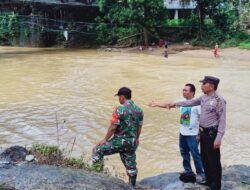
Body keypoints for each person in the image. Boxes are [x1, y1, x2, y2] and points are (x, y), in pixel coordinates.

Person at [167, 76, 226, 190]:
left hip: (212, 134)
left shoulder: (219, 100)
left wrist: (219, 138)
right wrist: (174, 104)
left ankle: (216, 186)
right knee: (205, 158)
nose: (202, 86)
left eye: (204, 84)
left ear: (212, 86)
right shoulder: (203, 97)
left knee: (214, 161)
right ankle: (208, 181)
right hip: (202, 132)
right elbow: (191, 102)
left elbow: (222, 120)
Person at [148, 84, 205, 183]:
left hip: (193, 134)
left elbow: (202, 120)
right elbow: (170, 104)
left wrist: (199, 135)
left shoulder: (197, 104)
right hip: (182, 132)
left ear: (192, 92)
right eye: (183, 90)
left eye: (186, 90)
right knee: (184, 152)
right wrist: (157, 104)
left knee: (195, 154)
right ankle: (188, 171)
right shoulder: (182, 101)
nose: (183, 92)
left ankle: (201, 174)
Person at [92, 87, 144, 187]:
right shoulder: (139, 110)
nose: (118, 99)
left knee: (97, 150)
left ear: (122, 97)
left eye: (119, 97)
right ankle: (132, 186)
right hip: (132, 143)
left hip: (119, 141)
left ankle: (97, 179)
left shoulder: (119, 110)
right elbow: (139, 127)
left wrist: (105, 139)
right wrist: (136, 139)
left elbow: (113, 127)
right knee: (131, 165)